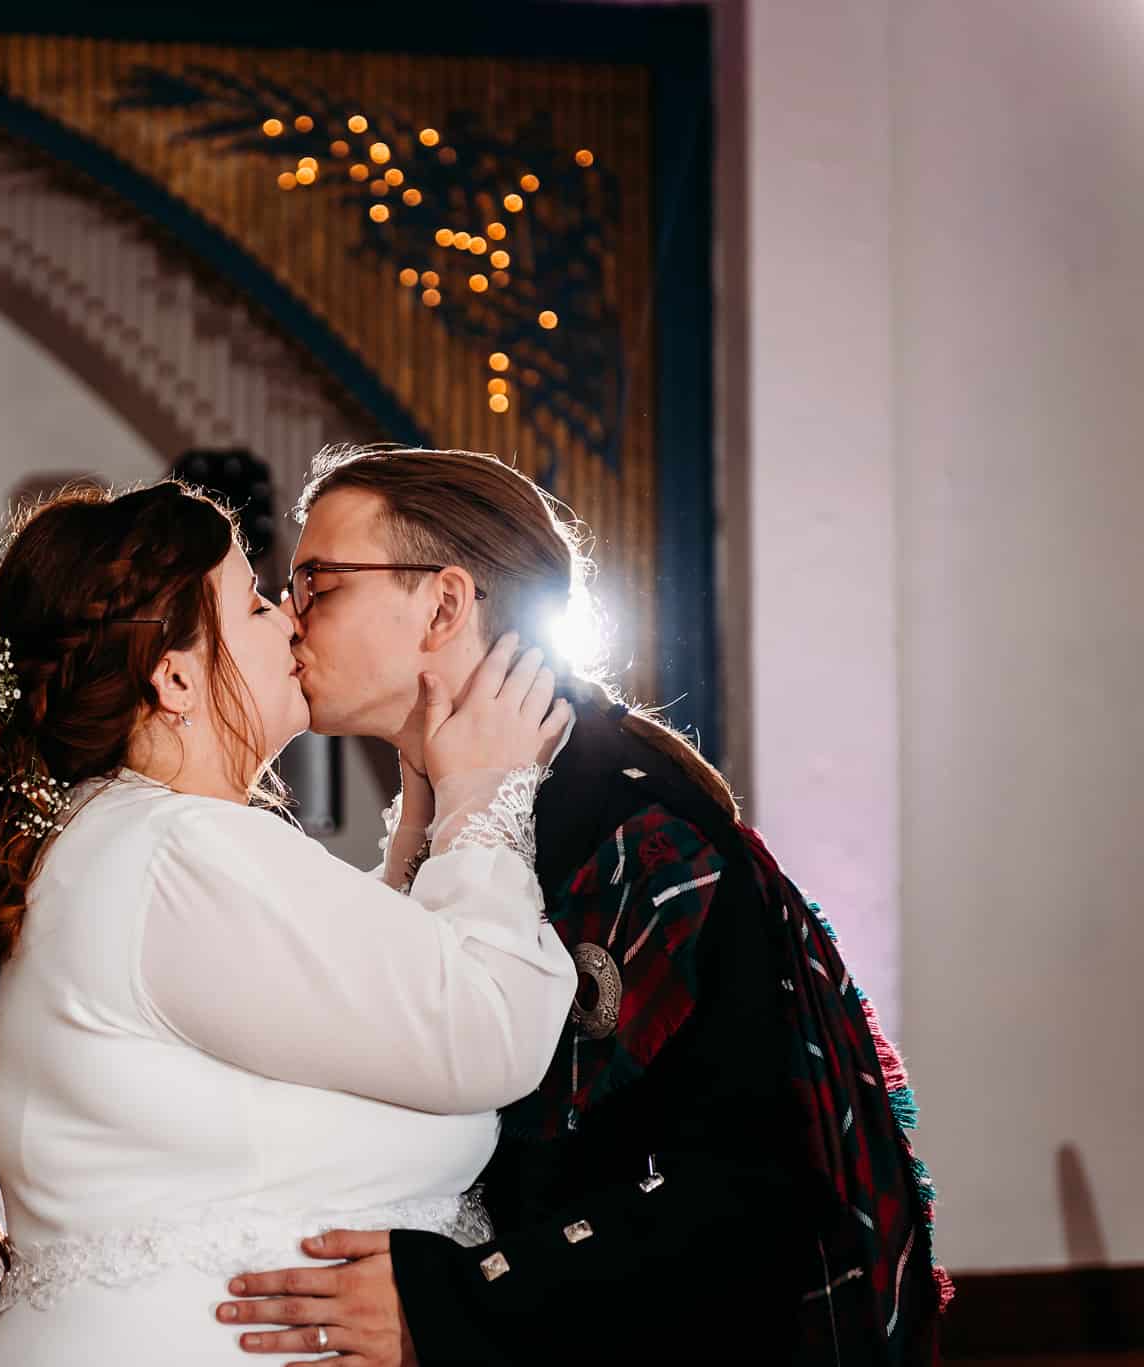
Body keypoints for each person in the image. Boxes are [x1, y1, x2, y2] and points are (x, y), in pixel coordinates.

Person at [216, 445, 950, 1365]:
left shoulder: (642, 833)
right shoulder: (456, 812)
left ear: (444, 605)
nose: (291, 614)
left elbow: (740, 1189)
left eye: (318, 579)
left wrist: (449, 1302)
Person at [0, 480, 578, 1365]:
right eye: (256, 603)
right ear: (176, 675)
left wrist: (423, 822)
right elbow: (483, 1032)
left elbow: (359, 1012)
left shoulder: (123, 839)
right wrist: (487, 799)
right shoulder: (181, 852)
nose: (291, 623)